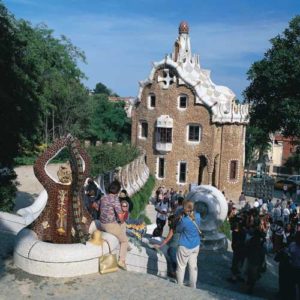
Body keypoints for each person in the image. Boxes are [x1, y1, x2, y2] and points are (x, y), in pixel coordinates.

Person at [99, 180, 128, 270]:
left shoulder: (103, 197)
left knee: (121, 227)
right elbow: (120, 217)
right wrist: (122, 219)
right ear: (118, 191)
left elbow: (95, 206)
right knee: (124, 240)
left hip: (101, 223)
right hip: (110, 225)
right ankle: (121, 261)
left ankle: (128, 246)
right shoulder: (115, 199)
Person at [176, 200, 201, 288]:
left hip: (185, 245)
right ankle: (193, 286)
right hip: (195, 245)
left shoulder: (184, 220)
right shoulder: (198, 216)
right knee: (193, 266)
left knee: (181, 266)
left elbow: (178, 230)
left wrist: (179, 219)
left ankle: (179, 285)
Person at [288, 231, 300, 298]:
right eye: (297, 236)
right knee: (291, 285)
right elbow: (288, 253)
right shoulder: (292, 244)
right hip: (292, 268)